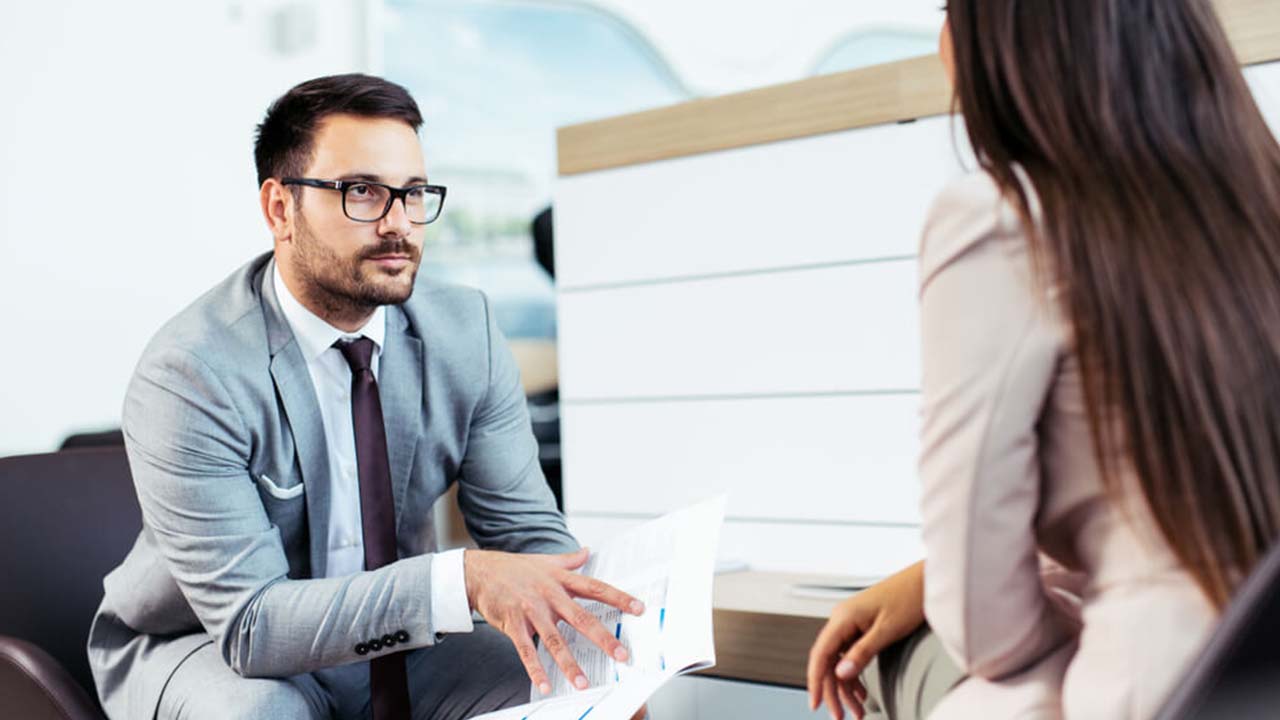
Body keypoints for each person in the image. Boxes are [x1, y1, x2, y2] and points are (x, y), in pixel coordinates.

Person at [87, 74, 646, 720]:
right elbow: (251, 625)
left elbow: (527, 536)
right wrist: (461, 579)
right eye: (363, 193)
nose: (398, 224)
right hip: (211, 645)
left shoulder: (466, 335)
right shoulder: (190, 372)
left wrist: (610, 622)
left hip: (397, 639)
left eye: (412, 194)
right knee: (260, 714)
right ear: (279, 210)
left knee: (593, 684)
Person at [808, 1, 1280, 718]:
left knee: (921, 671)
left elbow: (984, 624)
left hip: (1159, 691)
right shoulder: (1256, 205)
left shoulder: (999, 220)